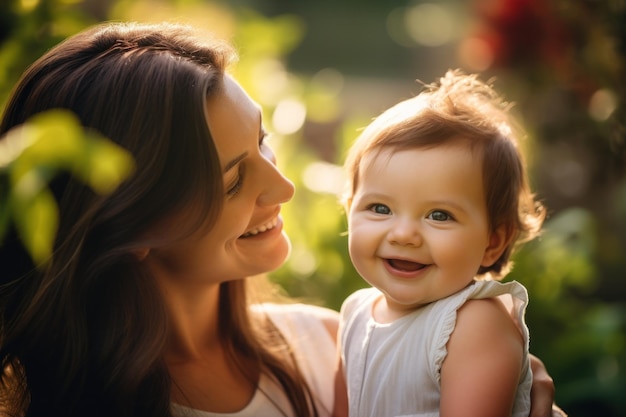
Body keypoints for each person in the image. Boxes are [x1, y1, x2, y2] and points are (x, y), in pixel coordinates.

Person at [0, 22, 560, 417]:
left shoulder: (334, 347)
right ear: (133, 226)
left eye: (263, 142)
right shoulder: (61, 400)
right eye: (234, 180)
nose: (285, 188)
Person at [335, 70, 560, 417]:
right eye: (380, 208)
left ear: (492, 242)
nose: (403, 234)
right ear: (350, 210)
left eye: (439, 215)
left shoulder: (472, 325)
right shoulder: (355, 312)